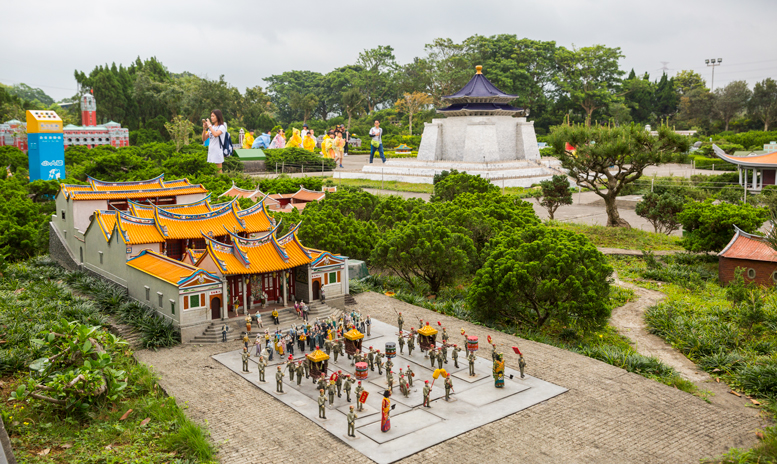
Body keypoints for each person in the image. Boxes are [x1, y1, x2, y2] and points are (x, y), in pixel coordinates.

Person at [202, 109, 227, 174]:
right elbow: (204, 139)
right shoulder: (212, 127)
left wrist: (209, 126)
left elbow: (216, 134)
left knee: (219, 171)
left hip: (217, 152)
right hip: (211, 152)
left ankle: (222, 183)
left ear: (218, 117)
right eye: (211, 116)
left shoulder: (222, 127)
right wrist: (204, 129)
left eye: (213, 116)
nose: (211, 118)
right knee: (211, 171)